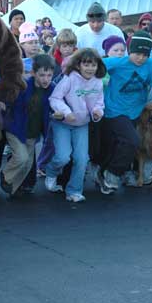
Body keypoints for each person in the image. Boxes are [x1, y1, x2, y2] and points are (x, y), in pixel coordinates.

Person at [97, 31, 152, 192]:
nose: (141, 58)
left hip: (137, 112)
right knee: (132, 141)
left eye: (144, 55)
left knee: (118, 145)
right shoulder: (118, 62)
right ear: (130, 51)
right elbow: (94, 65)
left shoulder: (151, 64)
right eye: (137, 54)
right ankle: (112, 173)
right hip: (115, 110)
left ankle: (103, 171)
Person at [45, 49, 105, 202]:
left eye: (93, 65)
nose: (90, 68)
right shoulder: (70, 79)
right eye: (86, 64)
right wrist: (66, 112)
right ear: (78, 66)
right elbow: (54, 98)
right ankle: (51, 171)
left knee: (82, 158)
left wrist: (97, 112)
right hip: (63, 124)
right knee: (63, 157)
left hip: (82, 125)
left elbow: (98, 102)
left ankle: (74, 191)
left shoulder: (97, 82)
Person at [0, 54, 56, 197]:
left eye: (49, 75)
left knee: (28, 164)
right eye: (42, 75)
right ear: (33, 73)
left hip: (33, 133)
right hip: (16, 129)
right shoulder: (23, 86)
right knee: (22, 157)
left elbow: (58, 103)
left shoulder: (52, 88)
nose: (46, 79)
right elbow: (7, 95)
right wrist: (1, 101)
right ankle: (6, 176)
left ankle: (14, 189)